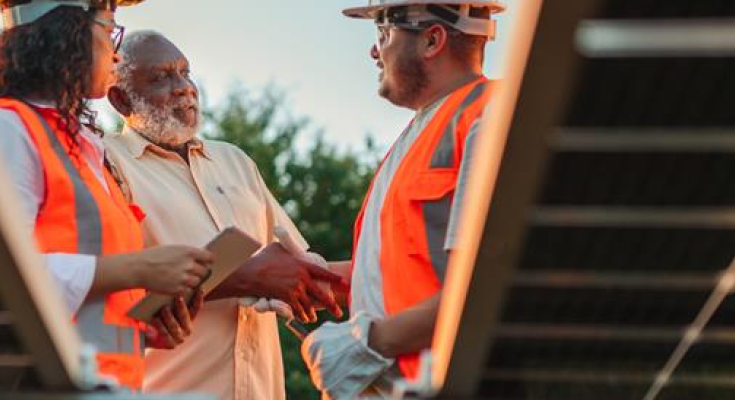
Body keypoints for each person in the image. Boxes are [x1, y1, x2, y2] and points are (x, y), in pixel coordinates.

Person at [0, 0, 212, 391]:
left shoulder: (82, 147)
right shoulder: (5, 129)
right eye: (109, 30)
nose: (115, 52)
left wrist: (138, 320)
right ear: (66, 33)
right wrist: (136, 269)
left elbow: (83, 292)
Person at [104, 31, 345, 400]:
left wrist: (428, 292)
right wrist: (242, 277)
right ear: (121, 100)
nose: (184, 87)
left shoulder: (234, 160)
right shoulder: (105, 163)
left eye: (186, 73)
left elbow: (302, 275)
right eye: (161, 78)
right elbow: (113, 298)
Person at [300, 0, 505, 398]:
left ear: (432, 39)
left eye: (385, 34)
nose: (374, 51)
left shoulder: (487, 119)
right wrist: (310, 276)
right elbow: (404, 269)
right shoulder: (422, 131)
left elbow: (486, 287)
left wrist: (371, 342)